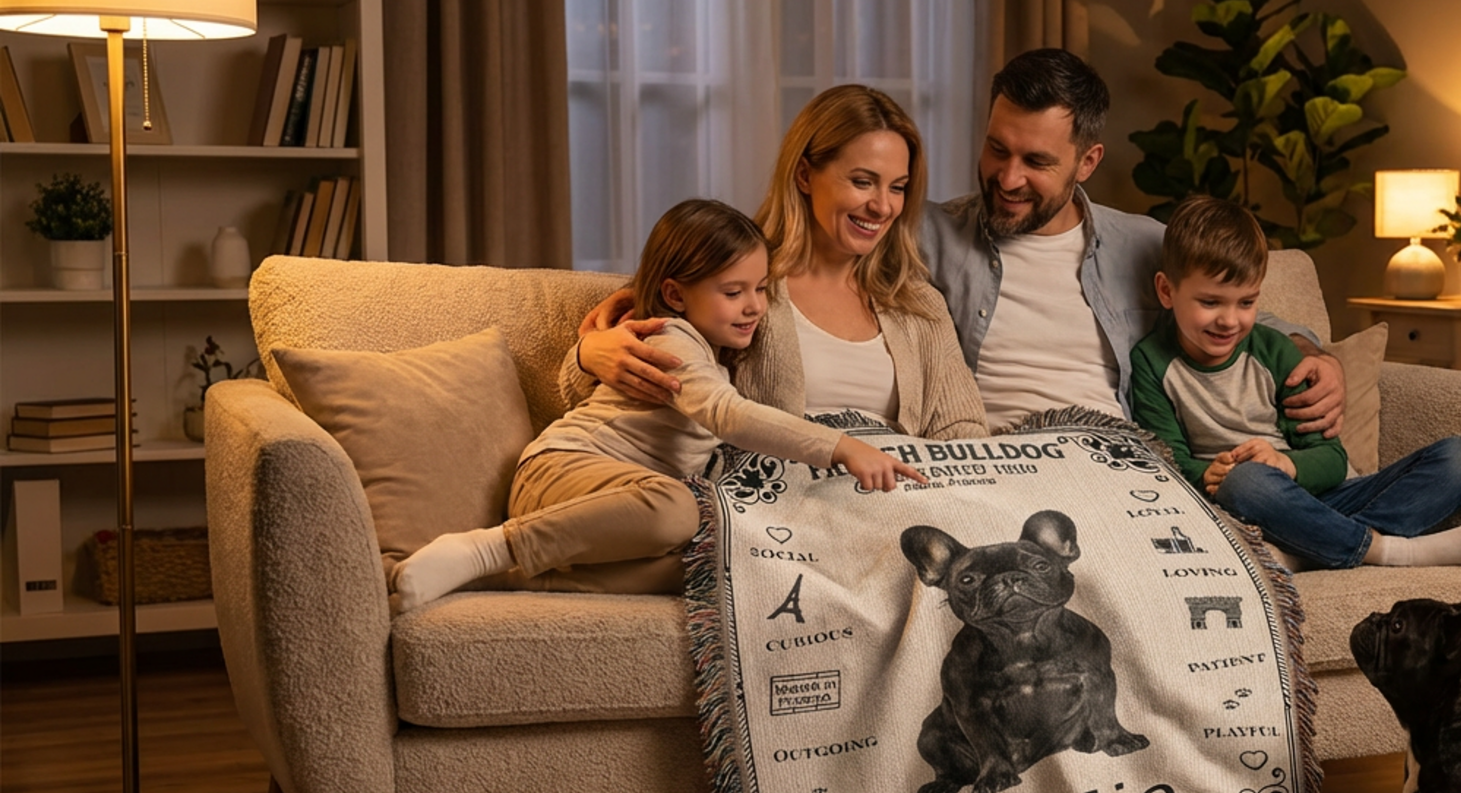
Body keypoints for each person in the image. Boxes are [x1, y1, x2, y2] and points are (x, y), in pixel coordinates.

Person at [573, 49, 1348, 438]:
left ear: (1087, 162)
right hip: (996, 460)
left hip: (1116, 456)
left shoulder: (1148, 246)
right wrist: (595, 344)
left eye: (1036, 162)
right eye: (995, 149)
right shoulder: (923, 237)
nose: (1006, 178)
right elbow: (714, 275)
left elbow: (1236, 312)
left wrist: (1317, 355)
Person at [390, 199, 927, 610]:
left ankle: (500, 574)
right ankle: (488, 549)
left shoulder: (711, 353)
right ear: (674, 294)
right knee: (678, 510)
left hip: (614, 512)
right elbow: (729, 415)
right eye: (733, 291)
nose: (754, 307)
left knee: (715, 568)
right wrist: (840, 447)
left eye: (761, 289)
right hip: (563, 476)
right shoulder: (670, 338)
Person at [565, 85, 987, 442]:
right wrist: (588, 354)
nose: (882, 206)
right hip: (776, 512)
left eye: (897, 187)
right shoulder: (737, 282)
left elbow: (964, 431)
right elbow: (605, 391)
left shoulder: (918, 305)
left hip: (897, 507)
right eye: (862, 182)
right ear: (804, 175)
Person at [1132, 196, 1461, 573]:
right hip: (1243, 504)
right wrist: (1207, 474)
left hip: (1321, 498)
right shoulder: (1151, 361)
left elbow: (1333, 460)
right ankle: (1388, 551)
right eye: (1210, 302)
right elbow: (1165, 461)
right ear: (1166, 291)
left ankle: (1305, 548)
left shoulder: (1275, 350)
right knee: (1248, 482)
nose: (1230, 320)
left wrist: (1285, 463)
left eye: (1246, 302)